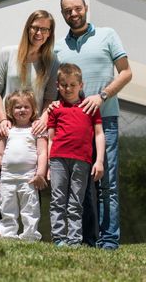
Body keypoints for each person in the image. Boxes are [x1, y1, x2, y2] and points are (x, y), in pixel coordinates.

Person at [54, 0, 132, 250]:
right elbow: (58, 87)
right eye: (67, 11)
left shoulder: (107, 35)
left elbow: (126, 72)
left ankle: (109, 241)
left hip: (104, 120)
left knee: (106, 183)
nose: (73, 14)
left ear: (86, 7)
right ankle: (87, 239)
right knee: (81, 187)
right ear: (63, 14)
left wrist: (102, 96)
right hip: (72, 126)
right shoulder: (59, 47)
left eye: (77, 8)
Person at [0, 10, 59, 237]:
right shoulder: (7, 54)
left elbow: (50, 97)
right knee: (0, 183)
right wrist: (2, 120)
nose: (39, 33)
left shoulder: (51, 61)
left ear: (50, 34)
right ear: (28, 28)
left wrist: (43, 120)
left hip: (32, 133)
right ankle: (1, 233)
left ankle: (30, 233)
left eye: (45, 29)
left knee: (32, 182)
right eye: (35, 27)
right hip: (3, 131)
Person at [47, 63, 105, 246]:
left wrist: (100, 161)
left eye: (73, 84)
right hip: (58, 160)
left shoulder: (91, 108)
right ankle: (58, 239)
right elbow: (50, 138)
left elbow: (99, 134)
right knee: (58, 200)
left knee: (75, 202)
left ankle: (74, 240)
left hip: (83, 161)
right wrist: (49, 164)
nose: (68, 89)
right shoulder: (55, 109)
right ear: (58, 86)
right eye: (64, 85)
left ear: (81, 85)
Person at [0, 90, 48, 240]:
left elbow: (42, 153)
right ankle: (8, 236)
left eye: (26, 107)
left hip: (29, 178)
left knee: (30, 209)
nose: (22, 110)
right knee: (7, 208)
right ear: (10, 110)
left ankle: (30, 236)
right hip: (7, 178)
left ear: (33, 109)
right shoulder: (6, 130)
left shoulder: (37, 129)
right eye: (18, 107)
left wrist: (40, 173)